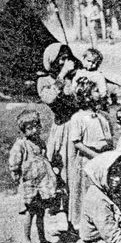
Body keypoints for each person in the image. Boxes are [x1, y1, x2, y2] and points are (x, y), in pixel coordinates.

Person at [37, 43, 80, 228]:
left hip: (78, 126)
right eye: (61, 59)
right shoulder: (45, 81)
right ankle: (62, 217)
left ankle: (77, 216)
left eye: (67, 58)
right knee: (61, 172)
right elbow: (50, 98)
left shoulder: (75, 78)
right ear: (52, 61)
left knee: (77, 172)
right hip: (62, 129)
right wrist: (62, 76)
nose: (65, 61)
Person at [9, 109, 60, 243]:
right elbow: (15, 159)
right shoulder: (22, 144)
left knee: (41, 211)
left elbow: (45, 158)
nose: (34, 130)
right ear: (23, 130)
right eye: (29, 128)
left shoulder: (40, 142)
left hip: (42, 182)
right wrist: (15, 171)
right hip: (30, 182)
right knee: (30, 211)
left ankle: (42, 238)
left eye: (36, 126)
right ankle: (26, 238)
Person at [69, 78, 114, 229]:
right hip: (88, 160)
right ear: (86, 95)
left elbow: (109, 138)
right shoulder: (78, 118)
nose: (100, 93)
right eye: (96, 91)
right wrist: (95, 156)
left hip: (103, 158)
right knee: (86, 192)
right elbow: (77, 143)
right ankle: (84, 225)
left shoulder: (102, 116)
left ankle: (102, 224)